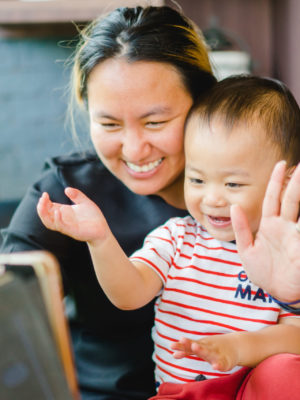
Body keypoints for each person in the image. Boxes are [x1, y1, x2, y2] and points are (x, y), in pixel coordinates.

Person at [0, 5, 217, 400]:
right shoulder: (64, 195)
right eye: (110, 124)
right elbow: (10, 293)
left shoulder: (255, 183)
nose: (134, 149)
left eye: (155, 122)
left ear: (204, 102)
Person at [37, 76, 300, 399]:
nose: (212, 198)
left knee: (287, 372)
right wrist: (100, 240)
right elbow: (129, 293)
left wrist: (238, 348)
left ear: (285, 183)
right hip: (183, 393)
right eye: (197, 179)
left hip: (254, 389)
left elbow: (295, 337)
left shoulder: (288, 253)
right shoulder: (178, 239)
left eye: (233, 184)